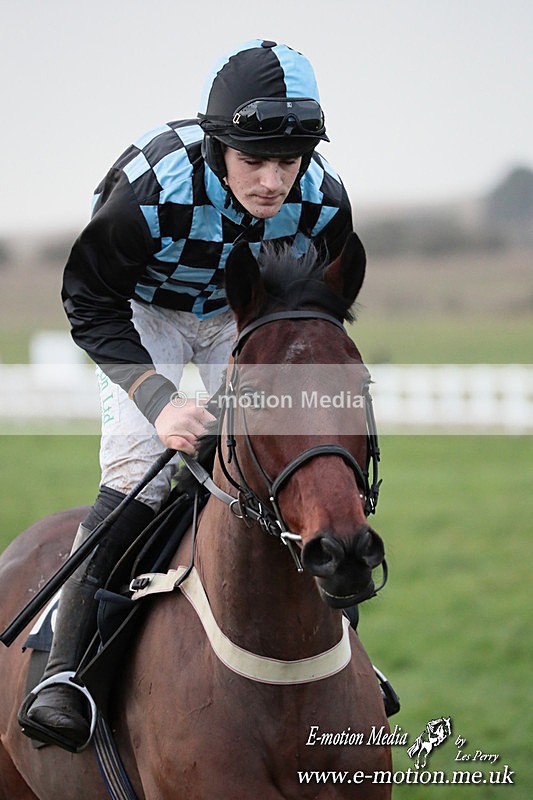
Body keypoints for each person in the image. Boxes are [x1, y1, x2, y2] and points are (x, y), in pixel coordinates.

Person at [18, 39, 355, 751]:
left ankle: (346, 652)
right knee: (142, 462)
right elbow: (89, 303)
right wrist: (160, 400)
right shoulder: (149, 192)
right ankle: (63, 667)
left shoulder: (323, 205)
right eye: (252, 161)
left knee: (294, 464)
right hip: (139, 310)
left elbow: (309, 309)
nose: (271, 182)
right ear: (216, 144)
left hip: (240, 312)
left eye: (287, 164)